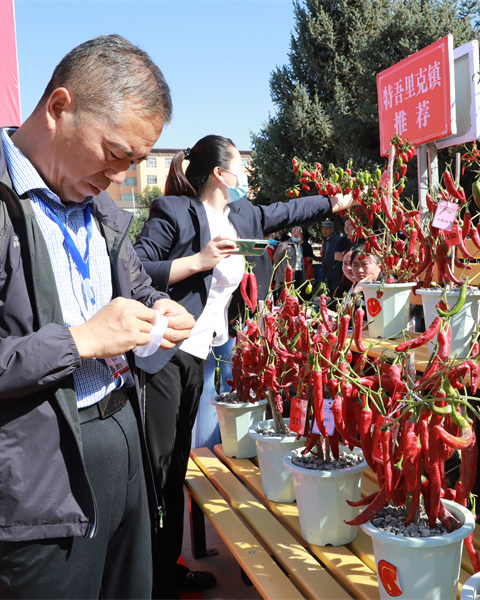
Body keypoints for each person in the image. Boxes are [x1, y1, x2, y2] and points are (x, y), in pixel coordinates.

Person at [0, 35, 195, 600]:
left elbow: (137, 286)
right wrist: (79, 342)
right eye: (115, 153)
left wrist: (158, 310)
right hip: (36, 479)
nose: (121, 176)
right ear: (58, 109)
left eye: (134, 162)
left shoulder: (98, 206)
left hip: (123, 445)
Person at [133, 134, 353, 597]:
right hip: (166, 355)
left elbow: (287, 212)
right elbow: (135, 268)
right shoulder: (174, 212)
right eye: (240, 169)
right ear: (219, 173)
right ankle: (143, 576)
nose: (244, 179)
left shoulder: (243, 215)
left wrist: (337, 200)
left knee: (176, 464)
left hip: (203, 354)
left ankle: (167, 568)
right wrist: (199, 260)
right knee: (156, 468)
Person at [272, 225, 315, 292]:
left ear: (301, 235)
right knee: (285, 296)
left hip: (299, 274)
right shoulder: (284, 245)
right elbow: (276, 259)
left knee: (296, 296)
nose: (297, 235)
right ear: (292, 234)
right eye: (295, 232)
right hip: (286, 276)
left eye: (299, 233)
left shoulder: (301, 246)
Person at [320, 219, 345, 296]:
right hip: (328, 272)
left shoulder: (338, 240)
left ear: (332, 229)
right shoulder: (325, 240)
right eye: (323, 229)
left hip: (336, 272)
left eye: (326, 229)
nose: (324, 231)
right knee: (331, 293)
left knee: (336, 293)